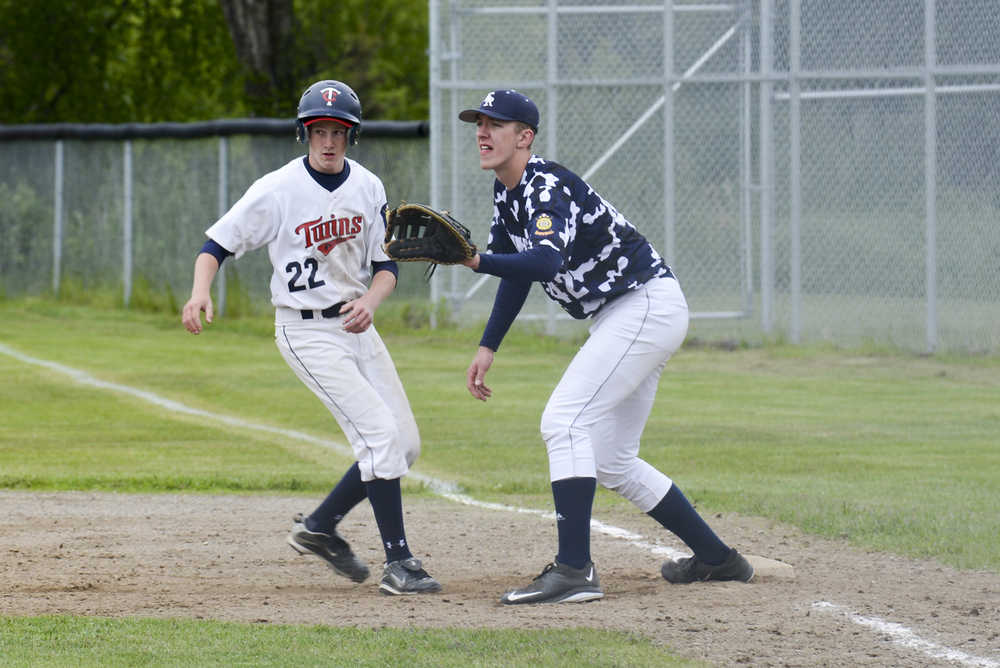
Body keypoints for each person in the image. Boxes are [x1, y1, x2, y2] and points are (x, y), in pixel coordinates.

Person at [456, 89, 754, 604]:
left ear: (524, 137)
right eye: (479, 123)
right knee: (613, 458)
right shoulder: (508, 194)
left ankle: (574, 570)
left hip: (642, 305)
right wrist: (489, 345)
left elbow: (544, 263)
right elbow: (515, 274)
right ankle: (719, 559)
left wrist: (478, 262)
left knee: (564, 421)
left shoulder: (543, 187)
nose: (482, 132)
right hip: (630, 312)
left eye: (496, 124)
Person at [181, 79, 440, 596]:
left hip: (356, 326)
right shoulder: (277, 189)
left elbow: (386, 267)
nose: (328, 141)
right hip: (305, 331)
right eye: (319, 130)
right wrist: (199, 292)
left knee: (404, 445)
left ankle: (319, 527)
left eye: (338, 132)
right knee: (380, 439)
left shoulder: (368, 187)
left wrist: (371, 301)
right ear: (305, 133)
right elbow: (217, 243)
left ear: (351, 136)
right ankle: (400, 563)